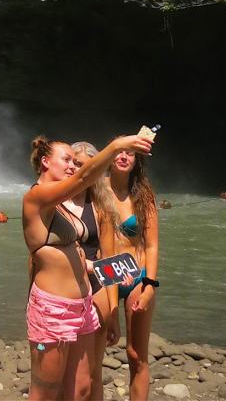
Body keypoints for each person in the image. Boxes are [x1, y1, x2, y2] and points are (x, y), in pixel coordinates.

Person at [23, 133, 153, 401]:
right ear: (46, 162)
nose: (72, 165)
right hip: (53, 309)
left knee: (82, 388)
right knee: (46, 393)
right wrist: (117, 146)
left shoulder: (63, 207)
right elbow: (83, 178)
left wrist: (111, 269)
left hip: (82, 306)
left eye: (75, 161)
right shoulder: (37, 197)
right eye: (67, 159)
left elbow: (78, 256)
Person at [66, 141, 121, 401]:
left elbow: (109, 261)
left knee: (93, 374)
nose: (80, 170)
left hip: (95, 292)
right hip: (60, 294)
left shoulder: (100, 207)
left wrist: (114, 314)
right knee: (65, 374)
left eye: (86, 165)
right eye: (75, 163)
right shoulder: (55, 201)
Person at [108, 144, 159, 401]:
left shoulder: (143, 195)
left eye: (130, 153)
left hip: (136, 276)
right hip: (104, 278)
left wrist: (150, 285)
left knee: (137, 355)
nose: (124, 156)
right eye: (119, 151)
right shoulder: (96, 191)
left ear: (136, 161)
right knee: (94, 354)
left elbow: (151, 244)